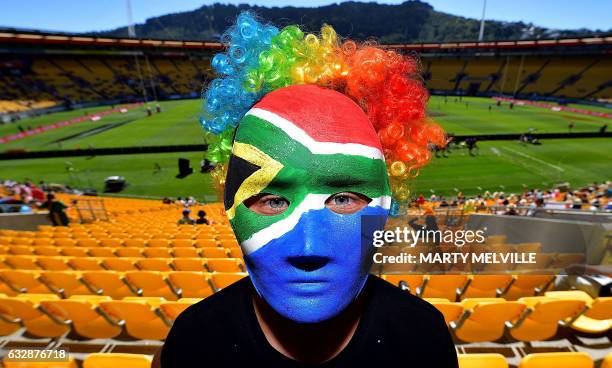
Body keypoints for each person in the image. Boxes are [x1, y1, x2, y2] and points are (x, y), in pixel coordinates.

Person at [158, 13, 456, 368]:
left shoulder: (422, 339)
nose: (308, 247)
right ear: (229, 207)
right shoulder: (192, 344)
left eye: (343, 199)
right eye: (272, 200)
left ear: (388, 206)